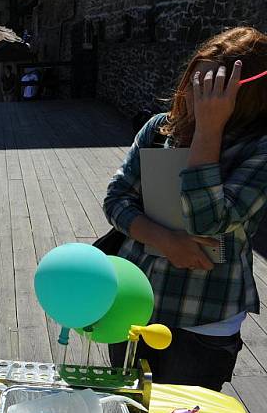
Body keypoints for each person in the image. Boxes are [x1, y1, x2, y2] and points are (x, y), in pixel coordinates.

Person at [103, 27, 267, 392]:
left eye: (213, 86)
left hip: (203, 319)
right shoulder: (160, 129)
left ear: (247, 94)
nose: (197, 94)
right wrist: (165, 239)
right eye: (196, 79)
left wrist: (208, 133)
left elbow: (211, 220)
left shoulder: (259, 149)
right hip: (135, 306)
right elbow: (116, 199)